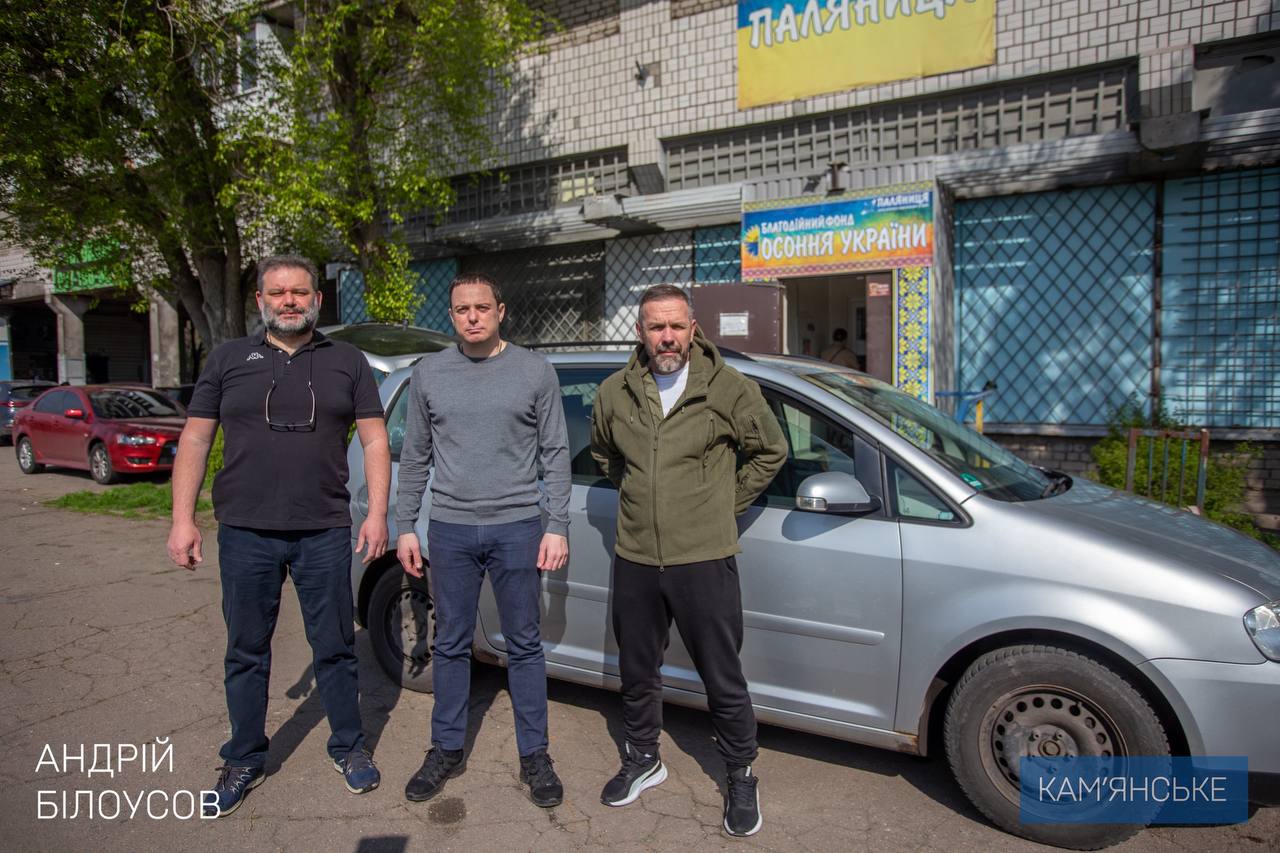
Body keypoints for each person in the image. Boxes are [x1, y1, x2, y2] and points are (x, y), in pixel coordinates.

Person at [167, 255, 390, 817]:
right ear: (261, 301)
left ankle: (349, 747)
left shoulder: (347, 361)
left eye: (299, 292)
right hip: (245, 531)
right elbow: (194, 440)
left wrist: (377, 513)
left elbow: (374, 440)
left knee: (335, 647)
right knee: (245, 650)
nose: (289, 301)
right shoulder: (227, 359)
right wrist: (182, 519)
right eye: (277, 293)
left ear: (317, 299)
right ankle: (244, 757)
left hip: (324, 530)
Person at [590, 284, 787, 837]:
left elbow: (770, 452)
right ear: (640, 332)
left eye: (676, 325)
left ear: (693, 328)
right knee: (637, 670)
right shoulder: (614, 392)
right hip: (636, 555)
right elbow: (606, 454)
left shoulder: (730, 388)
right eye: (656, 327)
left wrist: (722, 505)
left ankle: (740, 774)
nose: (667, 337)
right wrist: (641, 498)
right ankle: (643, 758)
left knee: (722, 676)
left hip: (703, 557)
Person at [394, 273, 571, 808]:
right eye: (461, 309)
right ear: (451, 315)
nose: (472, 317)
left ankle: (535, 756)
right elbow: (415, 456)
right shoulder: (429, 374)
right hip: (450, 528)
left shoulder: (535, 371)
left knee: (524, 645)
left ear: (501, 311)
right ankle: (446, 748)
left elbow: (555, 453)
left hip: (518, 525)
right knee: (450, 642)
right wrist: (406, 524)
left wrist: (557, 524)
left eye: (481, 308)